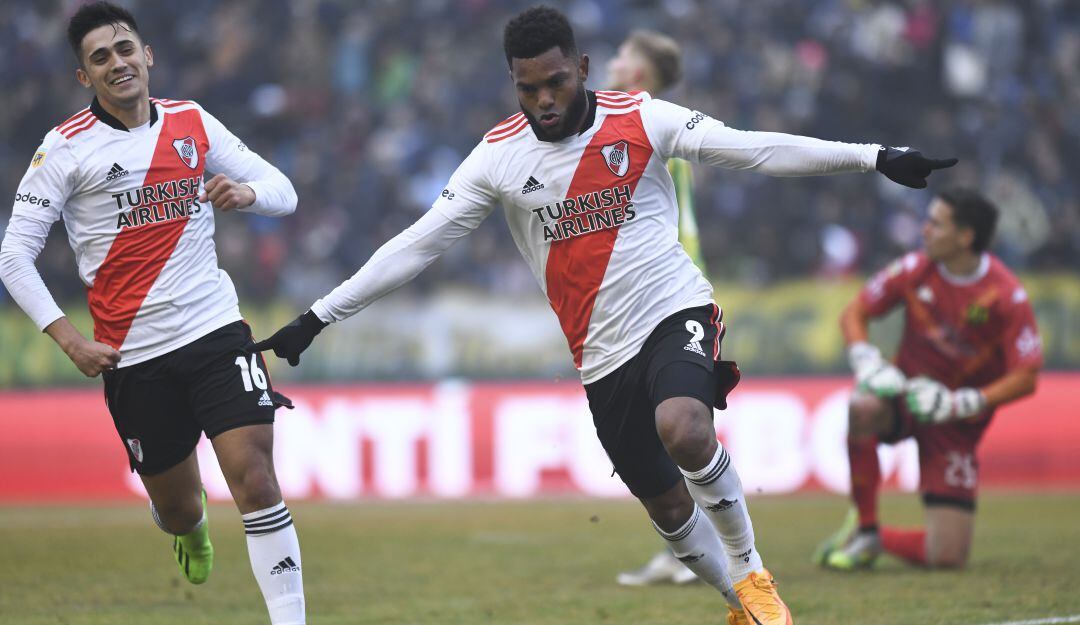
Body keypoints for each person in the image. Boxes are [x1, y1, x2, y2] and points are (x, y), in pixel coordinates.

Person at [253, 7, 954, 624]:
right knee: (670, 512)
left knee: (682, 426)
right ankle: (738, 602)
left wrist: (874, 157)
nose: (544, 99)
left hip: (673, 304)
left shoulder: (641, 118)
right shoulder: (497, 158)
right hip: (599, 354)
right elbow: (416, 245)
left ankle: (752, 569)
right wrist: (318, 315)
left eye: (554, 82)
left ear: (580, 67)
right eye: (527, 88)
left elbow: (754, 148)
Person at [0, 3, 305, 624]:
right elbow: (14, 257)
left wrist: (245, 193)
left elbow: (284, 190)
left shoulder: (192, 121)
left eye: (125, 49)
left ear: (148, 56)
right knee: (181, 507)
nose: (118, 63)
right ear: (84, 77)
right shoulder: (63, 148)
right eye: (101, 57)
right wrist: (69, 341)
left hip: (216, 331)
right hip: (133, 356)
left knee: (255, 478)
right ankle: (185, 528)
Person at [814, 189, 1042, 571]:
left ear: (965, 237)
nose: (924, 230)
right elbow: (855, 313)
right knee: (862, 406)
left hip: (956, 423)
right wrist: (868, 362)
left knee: (948, 557)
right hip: (905, 397)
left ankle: (876, 539)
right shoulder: (914, 269)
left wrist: (965, 402)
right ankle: (866, 527)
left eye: (936, 223)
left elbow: (1028, 376)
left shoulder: (1005, 296)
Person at [607, 28, 700, 588]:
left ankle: (700, 550)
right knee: (666, 429)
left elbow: (679, 224)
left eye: (620, 55)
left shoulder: (651, 129)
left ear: (638, 74)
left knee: (675, 428)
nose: (612, 63)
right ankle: (689, 549)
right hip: (660, 294)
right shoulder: (652, 124)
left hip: (667, 298)